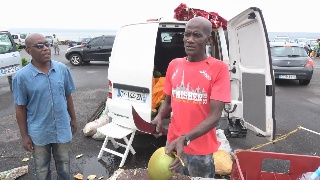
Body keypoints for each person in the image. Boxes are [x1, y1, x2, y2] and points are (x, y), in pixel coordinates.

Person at [152, 16, 231, 178]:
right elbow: (168, 102)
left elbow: (215, 116)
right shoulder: (174, 64)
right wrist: (159, 116)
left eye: (197, 35)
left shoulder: (219, 69)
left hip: (200, 151)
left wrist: (185, 138)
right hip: (173, 145)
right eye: (187, 35)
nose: (189, 40)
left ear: (208, 40)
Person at [12, 33, 77, 180]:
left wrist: (73, 119)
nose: (46, 48)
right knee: (41, 169)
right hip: (39, 132)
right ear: (28, 51)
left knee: (64, 166)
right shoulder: (21, 77)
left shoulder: (62, 70)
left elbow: (68, 96)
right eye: (39, 46)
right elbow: (20, 108)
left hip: (62, 128)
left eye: (47, 44)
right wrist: (24, 136)